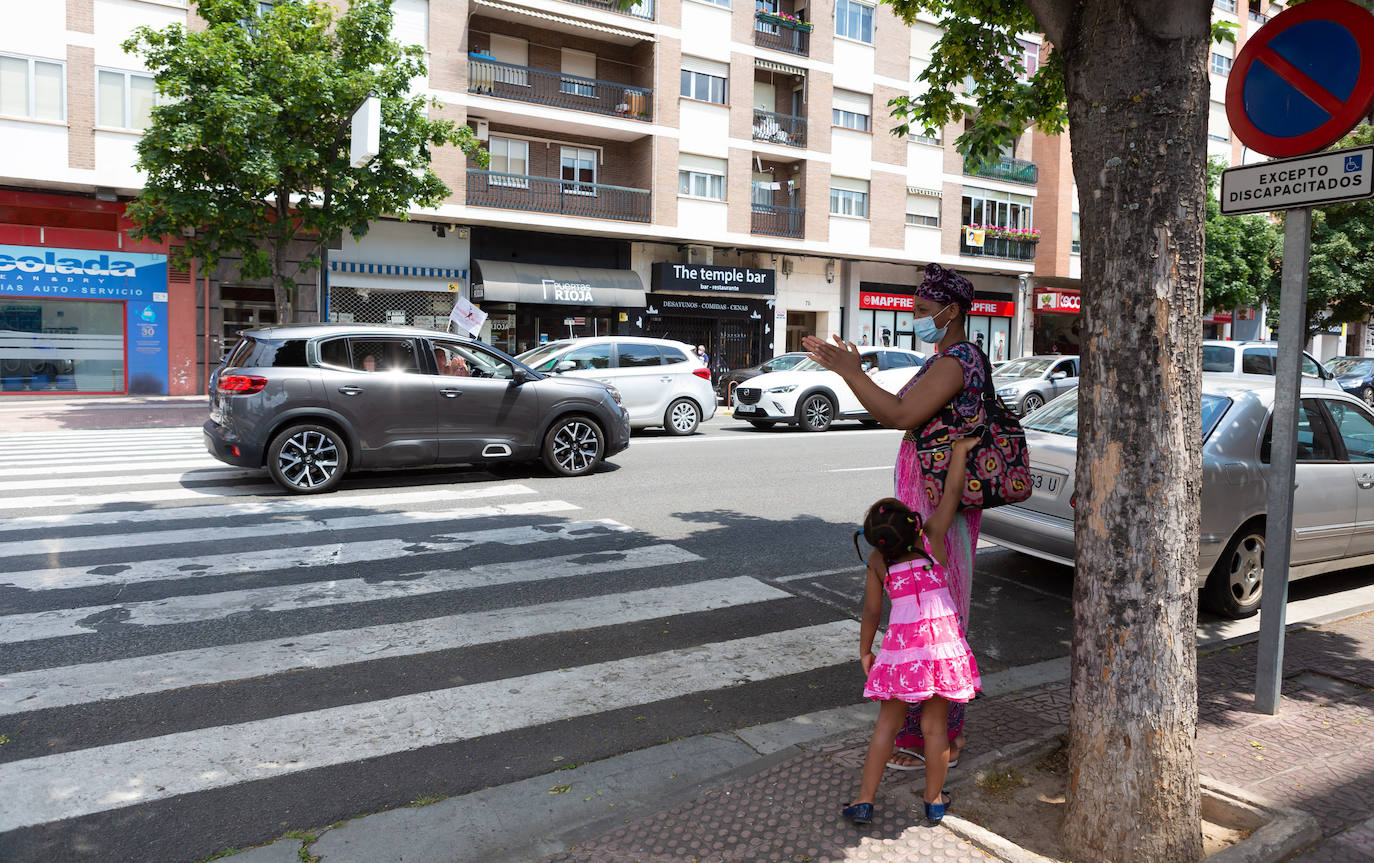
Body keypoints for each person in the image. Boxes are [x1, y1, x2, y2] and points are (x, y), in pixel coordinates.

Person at [803, 262, 985, 771]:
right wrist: (853, 371)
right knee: (925, 611)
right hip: (927, 494)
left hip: (940, 501)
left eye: (926, 311)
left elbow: (900, 416)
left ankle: (941, 735)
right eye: (916, 308)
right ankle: (933, 729)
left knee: (938, 614)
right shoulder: (945, 358)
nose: (916, 317)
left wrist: (849, 372)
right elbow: (897, 409)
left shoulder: (957, 360)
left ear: (952, 312)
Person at [843, 435, 982, 826]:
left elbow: (872, 611)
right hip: (942, 650)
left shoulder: (877, 562)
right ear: (912, 524)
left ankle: (864, 800)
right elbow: (952, 494)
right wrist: (959, 452)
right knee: (934, 728)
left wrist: (865, 652)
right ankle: (934, 801)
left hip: (902, 652)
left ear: (877, 540)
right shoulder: (931, 540)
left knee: (886, 726)